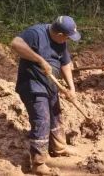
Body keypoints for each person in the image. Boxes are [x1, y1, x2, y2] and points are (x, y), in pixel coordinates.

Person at [10, 16, 81, 175]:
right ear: (60, 34)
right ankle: (38, 163)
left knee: (56, 115)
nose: (68, 40)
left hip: (51, 85)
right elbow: (15, 43)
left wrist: (71, 88)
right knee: (42, 120)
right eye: (68, 37)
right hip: (33, 85)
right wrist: (40, 60)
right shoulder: (35, 33)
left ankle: (59, 147)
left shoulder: (62, 42)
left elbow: (65, 63)